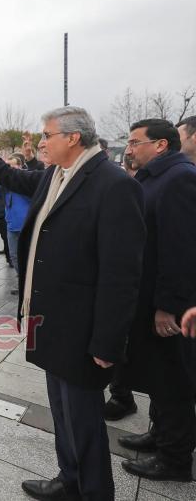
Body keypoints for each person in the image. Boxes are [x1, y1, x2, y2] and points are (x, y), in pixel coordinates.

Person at [0, 103, 145, 501]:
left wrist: (108, 342)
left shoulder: (114, 185)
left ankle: (95, 491)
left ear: (73, 137)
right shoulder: (56, 175)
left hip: (82, 331)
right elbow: (10, 175)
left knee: (84, 420)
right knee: (62, 414)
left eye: (47, 135)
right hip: (49, 321)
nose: (41, 142)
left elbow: (122, 274)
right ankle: (70, 480)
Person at [117, 119, 196, 483]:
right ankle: (160, 433)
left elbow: (179, 250)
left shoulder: (180, 178)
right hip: (147, 297)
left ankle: (175, 458)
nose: (129, 149)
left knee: (173, 380)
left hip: (167, 305)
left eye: (135, 142)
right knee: (158, 377)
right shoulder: (154, 176)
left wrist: (168, 305)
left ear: (161, 145)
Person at [0, 154, 31, 294]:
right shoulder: (6, 183)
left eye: (12, 166)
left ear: (20, 166)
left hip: (27, 225)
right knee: (14, 256)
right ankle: (22, 281)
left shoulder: (26, 179)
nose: (9, 169)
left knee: (29, 256)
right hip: (11, 225)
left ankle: (30, 283)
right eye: (8, 166)